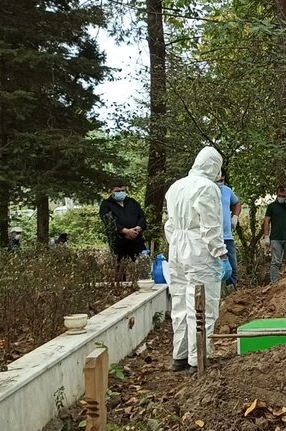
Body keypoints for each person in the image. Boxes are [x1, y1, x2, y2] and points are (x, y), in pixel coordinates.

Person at [164, 146, 232, 373]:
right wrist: (221, 254)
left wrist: (177, 244)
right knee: (203, 306)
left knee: (180, 304)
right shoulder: (207, 188)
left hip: (177, 249)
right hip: (199, 251)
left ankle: (180, 356)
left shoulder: (176, 186)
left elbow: (169, 225)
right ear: (214, 166)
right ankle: (198, 359)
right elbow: (210, 227)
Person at [99, 180, 148, 262]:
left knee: (143, 264)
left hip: (137, 240)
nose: (121, 193)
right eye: (118, 191)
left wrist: (138, 228)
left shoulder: (132, 202)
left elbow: (142, 217)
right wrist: (126, 231)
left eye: (123, 190)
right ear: (111, 191)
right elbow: (108, 222)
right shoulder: (106, 205)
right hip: (119, 243)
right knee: (121, 266)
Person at [217, 169, 242, 289]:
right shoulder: (207, 191)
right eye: (218, 181)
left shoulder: (227, 191)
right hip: (213, 237)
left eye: (222, 180)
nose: (220, 183)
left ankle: (232, 292)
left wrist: (235, 216)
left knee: (232, 267)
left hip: (227, 237)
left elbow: (237, 203)